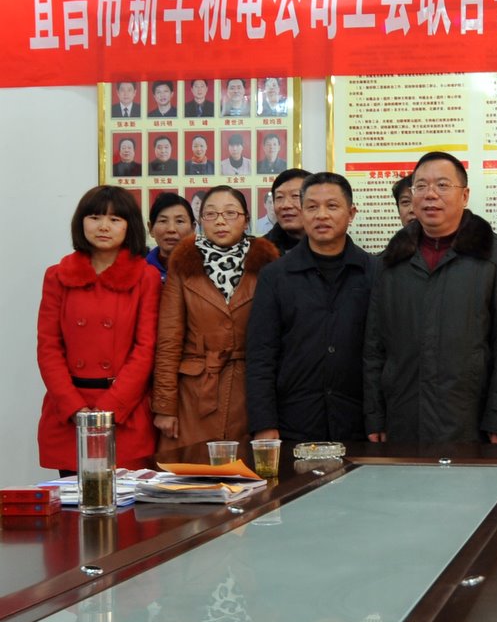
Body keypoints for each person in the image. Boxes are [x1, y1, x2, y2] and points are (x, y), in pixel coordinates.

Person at [364, 151, 497, 444]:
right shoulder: (391, 260)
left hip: (469, 418)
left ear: (465, 195)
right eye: (421, 186)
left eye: (442, 185)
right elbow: (375, 346)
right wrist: (375, 413)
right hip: (404, 415)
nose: (430, 195)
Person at [247, 172, 381, 442]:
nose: (321, 215)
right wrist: (264, 423)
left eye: (332, 206)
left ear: (351, 213)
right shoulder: (275, 276)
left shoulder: (374, 272)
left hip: (357, 422)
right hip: (293, 420)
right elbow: (261, 355)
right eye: (311, 207)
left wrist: (378, 418)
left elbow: (382, 353)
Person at [36, 186, 161, 473]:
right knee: (73, 498)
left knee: (128, 499)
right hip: (70, 414)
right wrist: (74, 408)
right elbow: (48, 347)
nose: (104, 226)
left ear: (129, 226)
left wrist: (110, 408)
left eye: (115, 219)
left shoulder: (146, 277)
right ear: (81, 222)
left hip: (124, 412)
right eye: (95, 217)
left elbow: (145, 349)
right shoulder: (57, 276)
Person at [152, 186, 279, 451]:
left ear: (246, 219)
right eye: (211, 214)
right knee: (190, 470)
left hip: (250, 391)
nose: (220, 221)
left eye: (230, 213)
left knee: (246, 471)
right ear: (200, 221)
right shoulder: (183, 263)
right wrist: (164, 406)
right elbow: (169, 340)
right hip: (194, 393)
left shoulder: (268, 264)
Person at [145, 193, 195, 282]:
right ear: (151, 228)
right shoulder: (139, 270)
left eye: (179, 221)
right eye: (163, 221)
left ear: (193, 228)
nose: (171, 229)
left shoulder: (205, 268)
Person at [263, 168, 311, 254]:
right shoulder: (259, 250)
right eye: (279, 197)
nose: (286, 205)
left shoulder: (333, 246)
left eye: (295, 196)